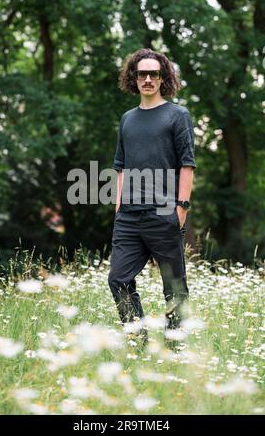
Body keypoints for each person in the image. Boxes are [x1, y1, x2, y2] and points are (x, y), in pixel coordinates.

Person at [108, 48, 196, 349]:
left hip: (164, 213)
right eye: (142, 73)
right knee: (118, 279)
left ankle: (174, 349)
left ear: (163, 78)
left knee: (174, 288)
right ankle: (139, 342)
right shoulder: (127, 119)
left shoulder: (177, 116)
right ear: (134, 78)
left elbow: (187, 165)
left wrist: (181, 209)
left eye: (154, 74)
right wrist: (119, 210)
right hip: (129, 218)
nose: (148, 79)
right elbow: (120, 167)